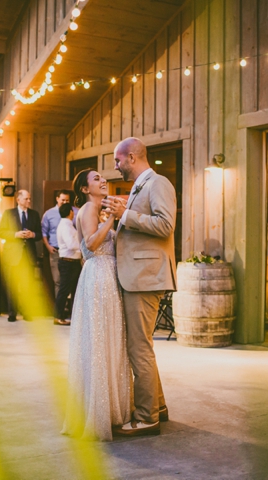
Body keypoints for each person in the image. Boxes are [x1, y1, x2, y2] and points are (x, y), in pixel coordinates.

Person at [102, 137, 176, 437]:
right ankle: (157, 406)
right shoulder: (139, 186)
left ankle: (147, 418)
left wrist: (126, 215)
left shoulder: (158, 183)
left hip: (145, 277)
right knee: (142, 346)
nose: (116, 167)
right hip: (138, 275)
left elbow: (165, 224)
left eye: (118, 161)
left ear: (132, 157)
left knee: (139, 348)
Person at [61, 169, 130, 441]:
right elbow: (89, 244)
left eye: (103, 177)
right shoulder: (90, 207)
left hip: (102, 275)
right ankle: (100, 413)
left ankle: (106, 409)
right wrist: (112, 217)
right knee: (102, 343)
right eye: (97, 178)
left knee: (106, 342)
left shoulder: (93, 209)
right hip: (100, 277)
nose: (103, 180)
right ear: (85, 188)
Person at [0, 190, 42, 322]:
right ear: (18, 200)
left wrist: (32, 235)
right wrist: (15, 235)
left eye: (29, 199)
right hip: (13, 255)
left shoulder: (34, 214)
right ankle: (12, 313)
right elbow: (0, 232)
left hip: (28, 255)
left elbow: (39, 234)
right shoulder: (8, 213)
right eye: (26, 199)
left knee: (27, 285)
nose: (29, 201)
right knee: (13, 285)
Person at [54, 203, 81, 326]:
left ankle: (74, 316)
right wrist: (83, 246)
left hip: (71, 262)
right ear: (70, 212)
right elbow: (71, 245)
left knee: (74, 290)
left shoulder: (67, 225)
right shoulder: (65, 226)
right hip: (68, 262)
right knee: (64, 290)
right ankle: (58, 316)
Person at [42, 190, 74, 296]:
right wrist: (48, 246)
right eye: (63, 200)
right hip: (55, 251)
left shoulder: (74, 212)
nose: (65, 202)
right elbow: (43, 232)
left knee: (72, 282)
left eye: (67, 200)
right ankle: (61, 309)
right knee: (58, 281)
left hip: (72, 253)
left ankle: (71, 309)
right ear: (57, 199)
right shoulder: (49, 214)